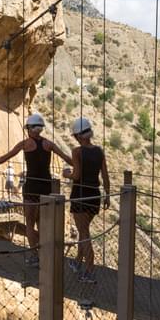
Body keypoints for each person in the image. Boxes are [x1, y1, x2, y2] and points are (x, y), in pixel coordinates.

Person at [0, 113, 72, 266]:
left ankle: (34, 255)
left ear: (29, 128)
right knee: (42, 223)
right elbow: (66, 158)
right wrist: (82, 168)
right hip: (46, 187)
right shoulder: (49, 144)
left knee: (29, 223)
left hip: (31, 187)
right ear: (40, 128)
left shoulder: (25, 144)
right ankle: (45, 254)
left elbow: (6, 156)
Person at [62, 117, 110, 283]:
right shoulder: (99, 151)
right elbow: (105, 175)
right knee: (84, 231)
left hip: (80, 195)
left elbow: (76, 175)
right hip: (95, 195)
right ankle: (77, 262)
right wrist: (107, 195)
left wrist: (66, 173)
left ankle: (90, 271)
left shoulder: (77, 152)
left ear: (78, 136)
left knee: (84, 234)